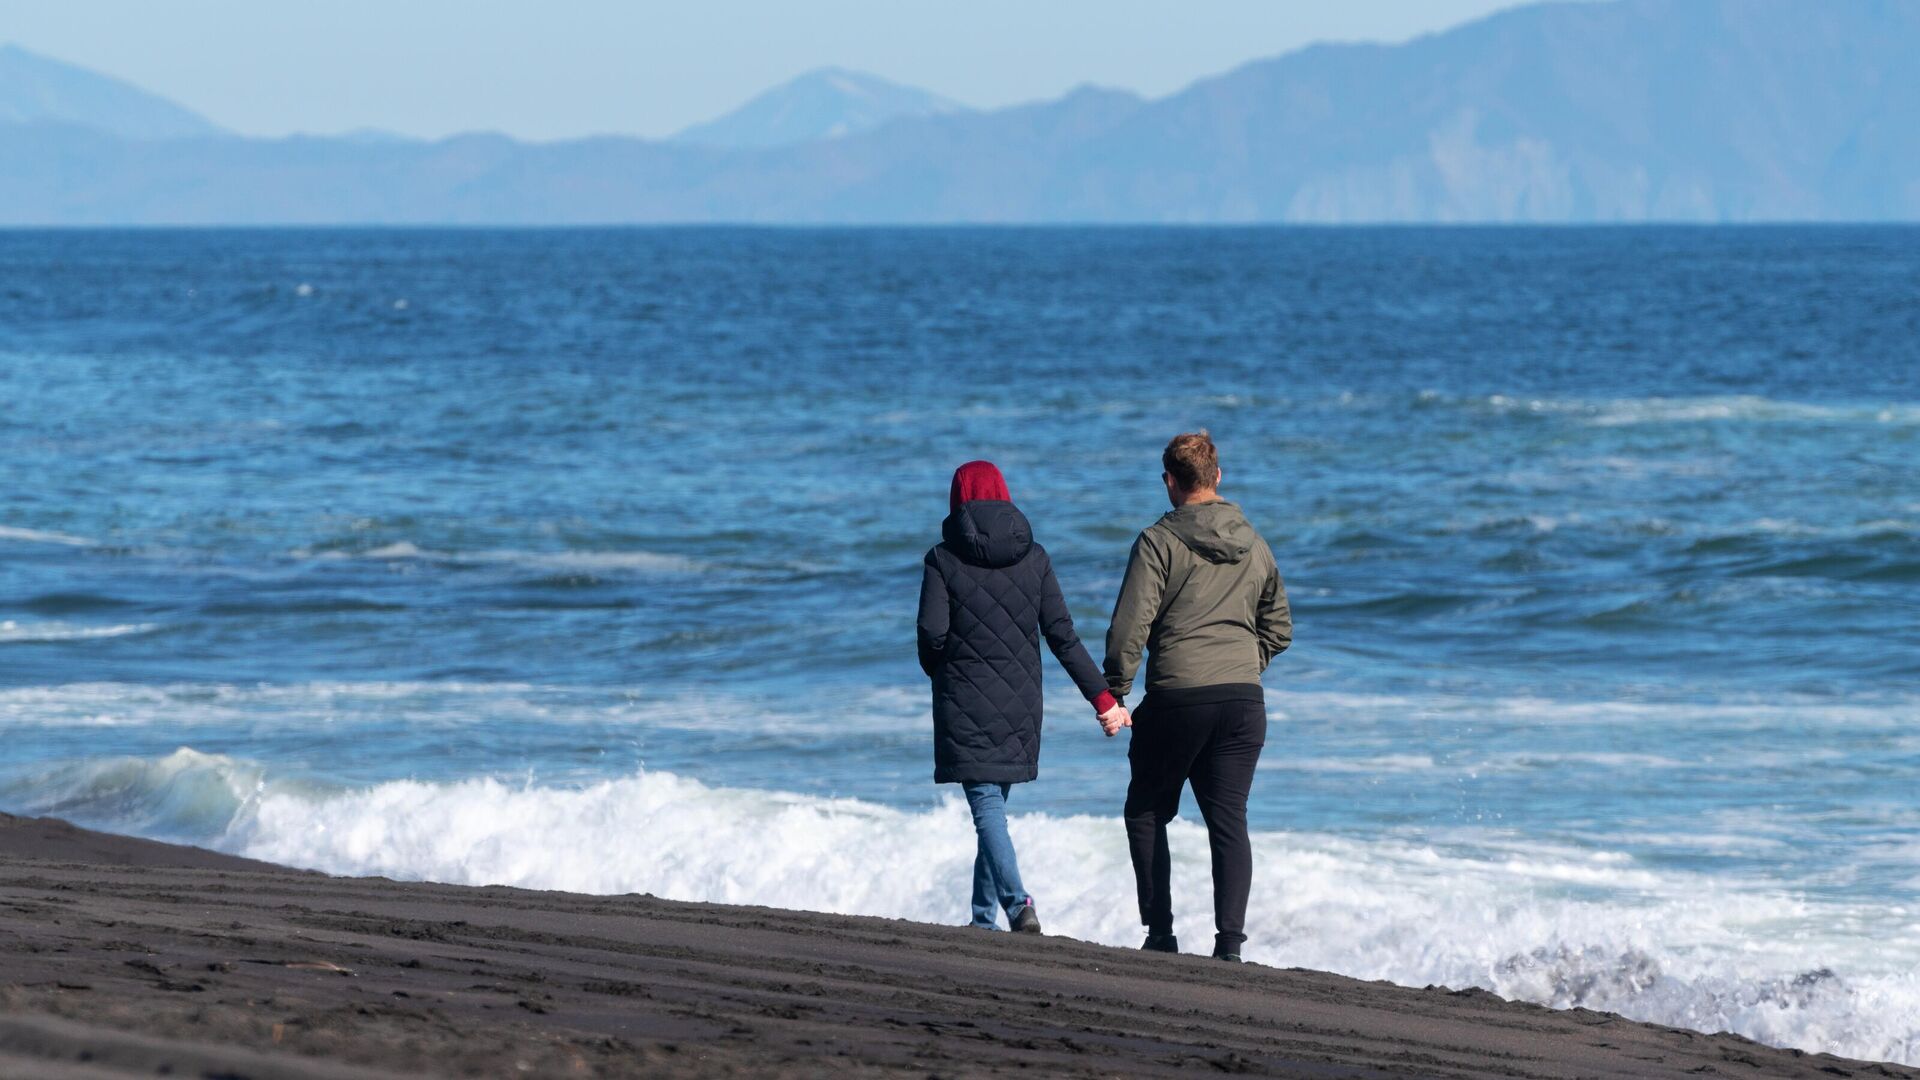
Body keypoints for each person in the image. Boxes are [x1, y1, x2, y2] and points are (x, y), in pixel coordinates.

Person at [1101, 431, 1291, 962]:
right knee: (1228, 818)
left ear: (1169, 482)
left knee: (1145, 811)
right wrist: (1246, 666)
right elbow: (1279, 626)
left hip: (1178, 699)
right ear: (1218, 477)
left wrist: (1115, 691)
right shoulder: (1254, 542)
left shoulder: (1157, 541)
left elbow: (1128, 630)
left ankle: (1160, 933)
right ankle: (1229, 945)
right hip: (1242, 702)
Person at [918, 460, 1131, 933]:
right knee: (991, 808)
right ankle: (981, 919)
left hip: (965, 701)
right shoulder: (1034, 557)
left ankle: (1018, 905)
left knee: (987, 808)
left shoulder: (941, 559)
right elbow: (1063, 638)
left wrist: (942, 674)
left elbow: (932, 634)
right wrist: (1103, 701)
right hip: (1021, 704)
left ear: (959, 501)